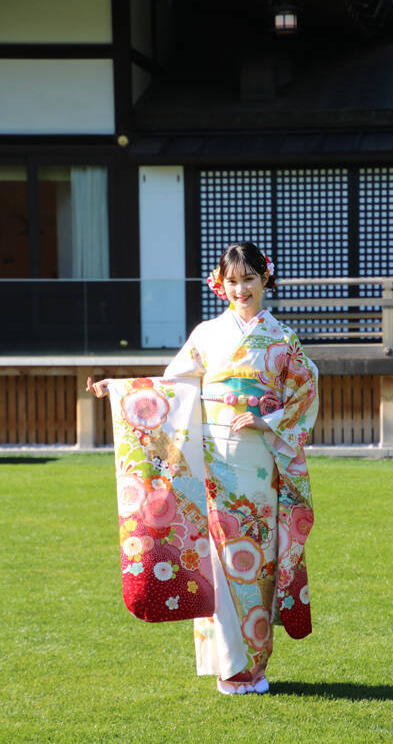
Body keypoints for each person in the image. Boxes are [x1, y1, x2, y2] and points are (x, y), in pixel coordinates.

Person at [87, 242, 318, 695]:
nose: (241, 289)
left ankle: (255, 666)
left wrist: (267, 419)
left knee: (258, 559)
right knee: (220, 557)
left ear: (265, 279)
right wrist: (120, 389)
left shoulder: (283, 339)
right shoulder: (207, 334)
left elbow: (305, 391)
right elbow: (171, 387)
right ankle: (229, 667)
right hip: (214, 459)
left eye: (249, 279)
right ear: (220, 284)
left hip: (259, 461)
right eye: (232, 281)